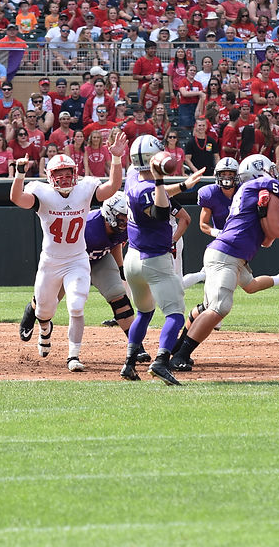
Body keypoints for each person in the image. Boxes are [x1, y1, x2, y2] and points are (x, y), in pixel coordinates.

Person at [169, 154, 279, 373]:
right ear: (259, 172)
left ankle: (177, 348)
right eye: (269, 170)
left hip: (233, 257)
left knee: (222, 299)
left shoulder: (250, 192)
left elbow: (267, 240)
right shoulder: (264, 184)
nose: (274, 174)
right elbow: (277, 227)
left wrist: (266, 216)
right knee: (219, 308)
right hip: (227, 255)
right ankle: (181, 355)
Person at [10, 134, 125, 372]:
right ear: (51, 178)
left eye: (67, 173)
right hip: (51, 261)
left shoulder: (84, 190)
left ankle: (73, 356)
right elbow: (16, 198)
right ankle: (44, 329)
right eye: (59, 174)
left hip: (77, 259)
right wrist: (19, 174)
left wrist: (115, 158)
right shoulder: (43, 194)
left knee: (76, 306)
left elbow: (113, 187)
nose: (64, 178)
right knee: (44, 311)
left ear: (75, 172)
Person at [21, 192, 152, 365]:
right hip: (69, 262)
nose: (126, 220)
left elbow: (114, 244)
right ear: (110, 213)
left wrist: (120, 268)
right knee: (48, 303)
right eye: (122, 216)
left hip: (99, 260)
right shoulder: (88, 224)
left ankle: (136, 346)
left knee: (119, 297)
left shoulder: (124, 227)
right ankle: (32, 309)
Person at [120, 135, 205, 384]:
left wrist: (183, 185)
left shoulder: (133, 177)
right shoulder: (150, 186)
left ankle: (128, 364)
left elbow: (154, 192)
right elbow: (159, 211)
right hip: (154, 258)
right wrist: (160, 178)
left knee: (143, 312)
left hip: (132, 259)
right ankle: (160, 361)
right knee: (175, 314)